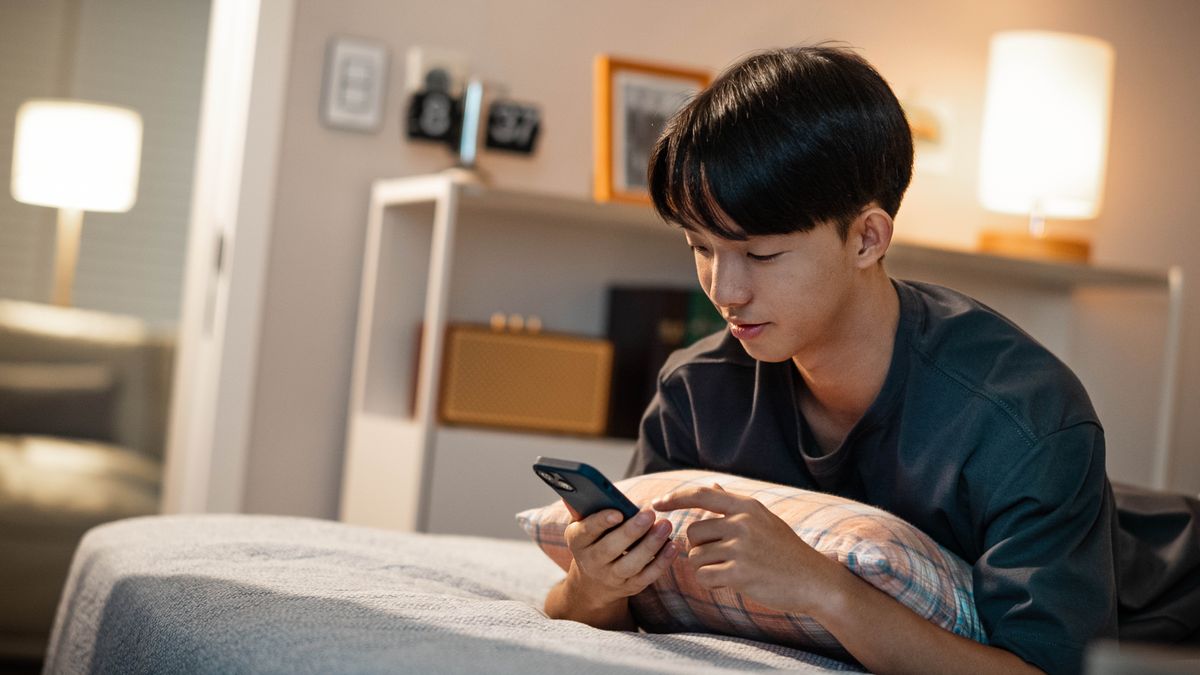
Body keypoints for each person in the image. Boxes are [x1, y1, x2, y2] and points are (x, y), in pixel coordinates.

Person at [543, 45, 1198, 675]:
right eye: (701, 247)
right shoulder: (697, 393)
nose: (724, 290)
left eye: (760, 254)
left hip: (1171, 589)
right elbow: (616, 602)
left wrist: (824, 589)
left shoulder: (1022, 417)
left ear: (867, 238)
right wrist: (593, 584)